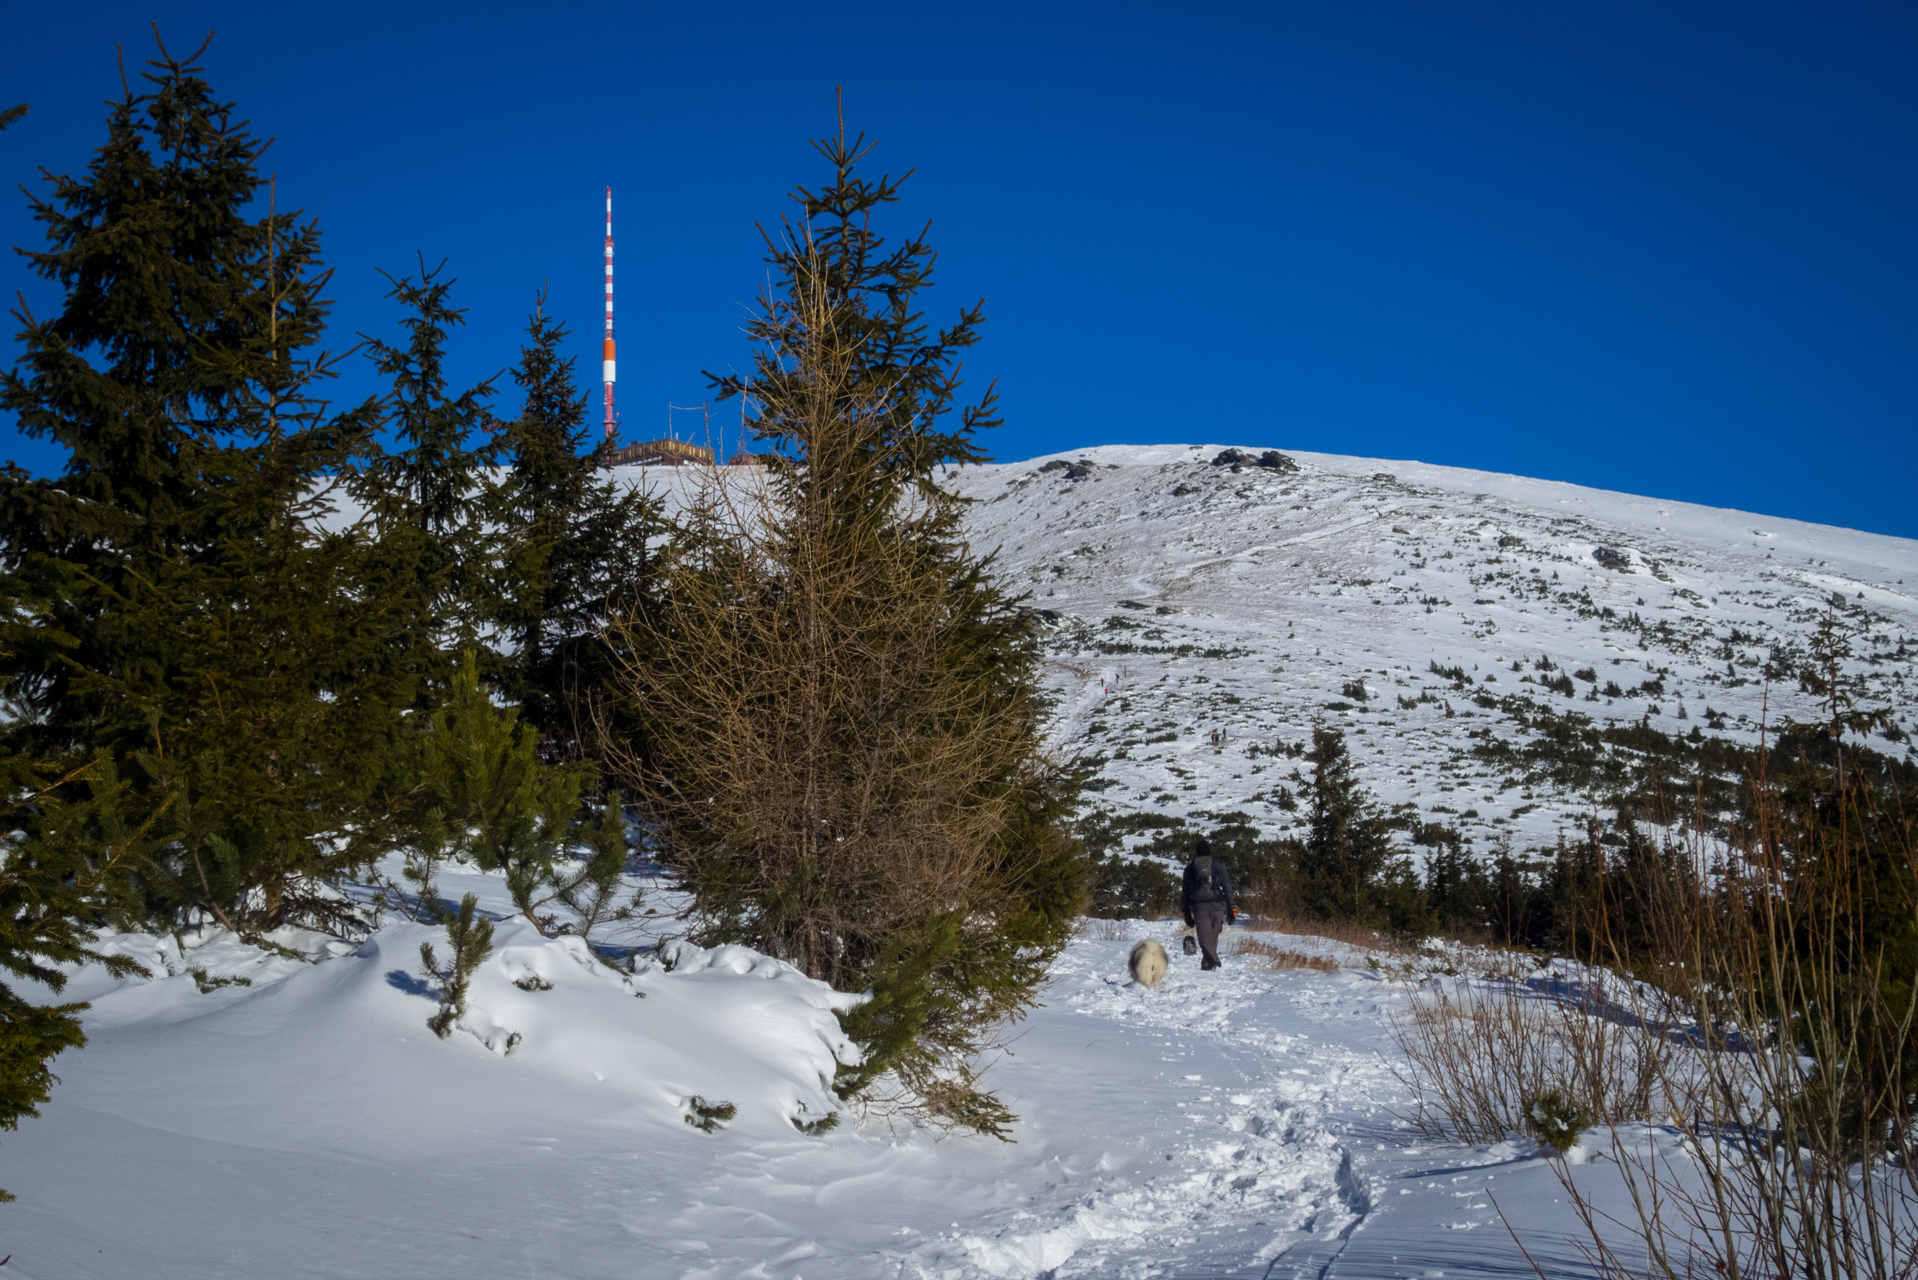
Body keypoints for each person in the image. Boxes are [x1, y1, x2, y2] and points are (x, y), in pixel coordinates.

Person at [1181, 838, 1236, 971]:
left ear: (1197, 853)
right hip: (1218, 907)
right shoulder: (1218, 866)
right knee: (1212, 939)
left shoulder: (1190, 869)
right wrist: (1232, 908)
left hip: (1200, 908)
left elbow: (1185, 894)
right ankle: (1208, 965)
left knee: (1204, 941)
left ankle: (1213, 961)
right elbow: (1228, 888)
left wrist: (1186, 913)